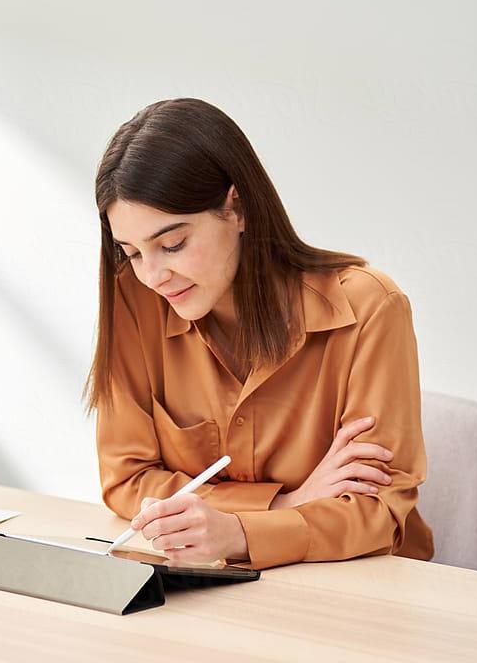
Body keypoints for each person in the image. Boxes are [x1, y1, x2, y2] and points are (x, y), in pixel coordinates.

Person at [84, 97, 434, 570]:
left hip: (363, 588)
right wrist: (284, 506)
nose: (153, 275)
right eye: (132, 252)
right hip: (212, 588)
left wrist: (236, 533)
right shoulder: (137, 298)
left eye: (172, 244)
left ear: (239, 207)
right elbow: (126, 480)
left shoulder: (369, 309)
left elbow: (378, 514)